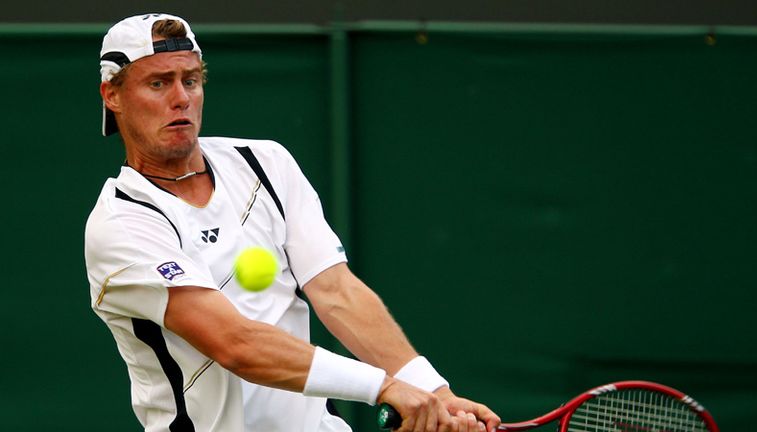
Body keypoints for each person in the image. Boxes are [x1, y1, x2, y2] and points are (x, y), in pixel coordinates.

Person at [85, 13, 500, 432]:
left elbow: (337, 292)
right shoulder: (120, 223)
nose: (181, 98)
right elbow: (236, 344)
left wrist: (434, 392)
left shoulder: (265, 163)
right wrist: (385, 387)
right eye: (158, 84)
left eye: (190, 81)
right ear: (112, 95)